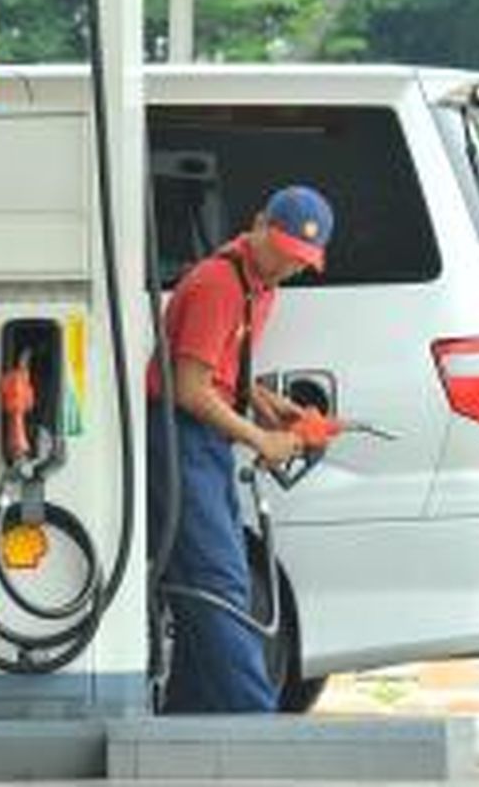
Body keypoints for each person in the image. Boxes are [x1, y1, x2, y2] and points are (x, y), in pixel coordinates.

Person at [147, 184, 335, 713]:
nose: (286, 267)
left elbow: (217, 369)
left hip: (205, 443)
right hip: (178, 438)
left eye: (300, 261)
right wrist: (261, 438)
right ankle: (257, 723)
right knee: (218, 583)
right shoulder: (217, 284)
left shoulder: (259, 287)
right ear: (256, 224)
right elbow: (187, 387)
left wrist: (266, 402)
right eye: (281, 251)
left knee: (200, 585)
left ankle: (187, 719)